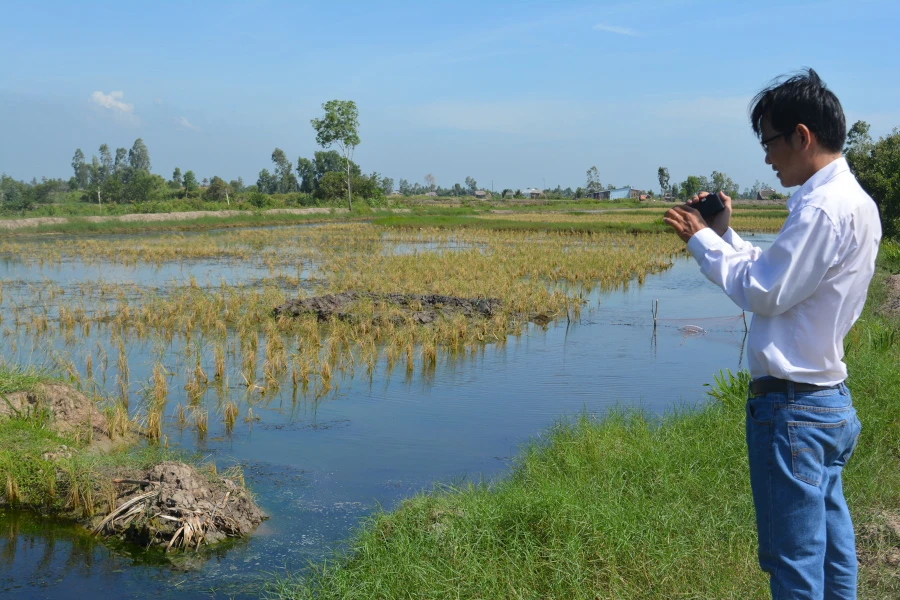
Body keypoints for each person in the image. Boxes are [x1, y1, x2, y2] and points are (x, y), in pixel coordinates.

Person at [663, 69, 881, 599]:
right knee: (830, 551)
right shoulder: (851, 202)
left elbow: (763, 293)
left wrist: (702, 243)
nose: (767, 157)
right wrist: (725, 234)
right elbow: (779, 275)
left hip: (794, 413)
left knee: (794, 563)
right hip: (824, 402)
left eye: (770, 142)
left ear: (802, 136)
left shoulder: (822, 208)